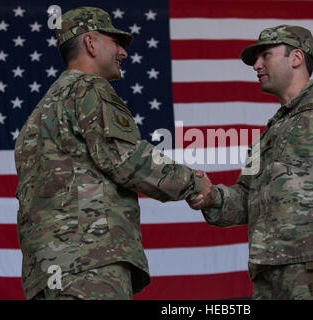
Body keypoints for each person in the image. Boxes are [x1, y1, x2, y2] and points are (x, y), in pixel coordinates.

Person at [14, 7, 210, 300]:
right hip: (89, 264)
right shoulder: (89, 90)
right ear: (91, 44)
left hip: (48, 272)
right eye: (116, 42)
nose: (123, 52)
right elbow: (128, 160)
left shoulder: (39, 113)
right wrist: (193, 182)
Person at [190, 25, 313, 300]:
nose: (257, 65)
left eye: (266, 55)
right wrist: (211, 196)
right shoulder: (268, 134)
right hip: (270, 272)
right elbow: (246, 198)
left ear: (296, 58)